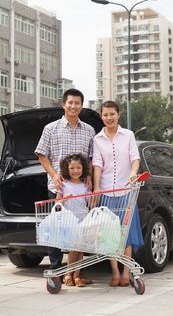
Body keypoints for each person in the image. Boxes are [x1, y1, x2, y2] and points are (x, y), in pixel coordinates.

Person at [35, 88, 95, 284]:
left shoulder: (89, 130)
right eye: (70, 103)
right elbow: (41, 154)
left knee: (79, 230)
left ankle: (76, 272)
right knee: (57, 230)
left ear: (81, 106)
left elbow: (91, 158)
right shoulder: (51, 128)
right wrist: (54, 174)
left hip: (80, 189)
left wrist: (89, 178)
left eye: (77, 103)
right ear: (63, 104)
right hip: (58, 187)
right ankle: (55, 269)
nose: (73, 106)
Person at [92, 100, 144, 287]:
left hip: (125, 191)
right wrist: (97, 187)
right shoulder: (97, 139)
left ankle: (125, 272)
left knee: (126, 233)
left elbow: (135, 158)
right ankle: (114, 272)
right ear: (101, 116)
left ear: (118, 114)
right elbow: (97, 164)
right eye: (105, 115)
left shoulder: (128, 135)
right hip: (106, 192)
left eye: (112, 114)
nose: (109, 118)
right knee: (108, 235)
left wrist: (132, 173)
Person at [57, 153, 90, 287]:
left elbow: (90, 201)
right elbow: (57, 203)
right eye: (72, 168)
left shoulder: (84, 185)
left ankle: (77, 275)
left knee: (80, 248)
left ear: (83, 169)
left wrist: (94, 195)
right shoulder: (64, 185)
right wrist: (65, 199)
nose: (75, 171)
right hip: (70, 221)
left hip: (83, 219)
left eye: (78, 168)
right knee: (73, 248)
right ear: (67, 169)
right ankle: (68, 274)